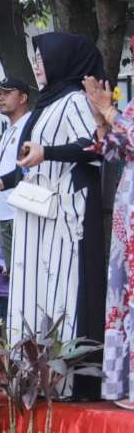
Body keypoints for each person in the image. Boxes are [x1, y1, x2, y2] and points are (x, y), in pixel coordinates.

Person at [0, 32, 103, 399]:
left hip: (65, 212)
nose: (37, 64)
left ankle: (69, 381)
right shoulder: (48, 103)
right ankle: (32, 375)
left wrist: (46, 152)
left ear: (64, 59)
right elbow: (32, 161)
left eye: (43, 58)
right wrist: (2, 181)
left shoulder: (76, 100)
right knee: (34, 292)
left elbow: (93, 147)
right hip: (36, 211)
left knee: (63, 291)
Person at [85, 63, 134, 410]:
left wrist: (108, 110)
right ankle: (124, 383)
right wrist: (103, 122)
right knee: (123, 287)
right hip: (127, 205)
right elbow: (115, 152)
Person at [0, 77, 34, 268]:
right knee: (13, 278)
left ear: (23, 97)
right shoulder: (7, 132)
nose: (0, 97)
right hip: (4, 213)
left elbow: (27, 169)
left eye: (7, 93)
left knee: (28, 274)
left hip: (21, 212)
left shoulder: (30, 125)